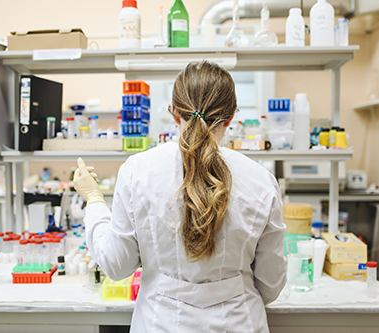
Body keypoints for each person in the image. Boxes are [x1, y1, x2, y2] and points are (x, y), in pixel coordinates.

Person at [74, 60, 286, 332]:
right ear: (231, 117)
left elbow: (117, 265)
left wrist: (93, 198)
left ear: (174, 113)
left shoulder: (138, 171)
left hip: (160, 323)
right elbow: (270, 284)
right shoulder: (261, 180)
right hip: (238, 322)